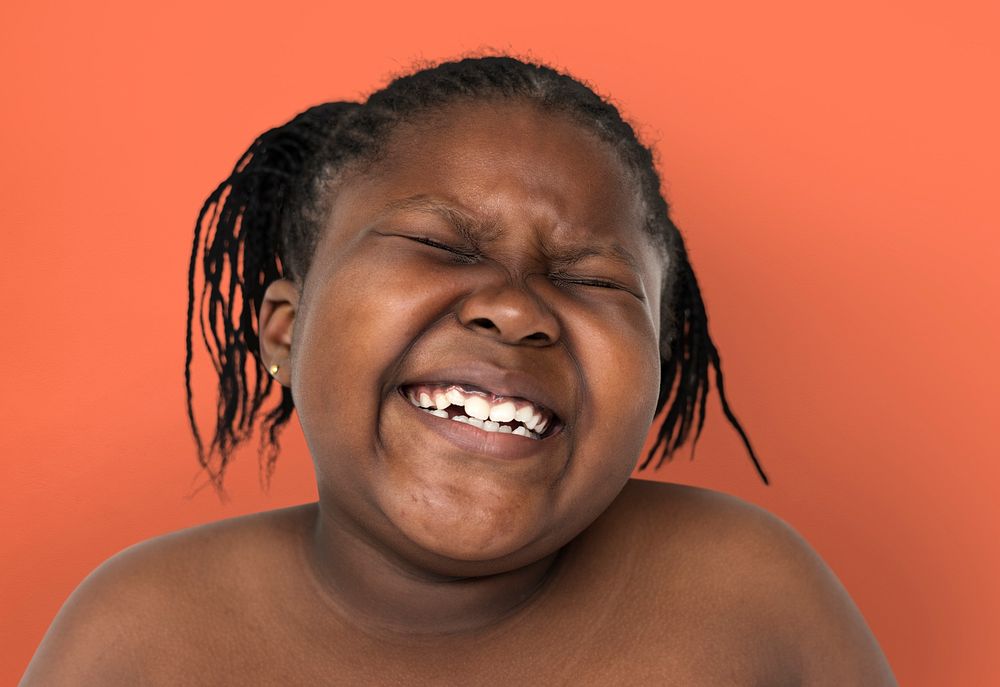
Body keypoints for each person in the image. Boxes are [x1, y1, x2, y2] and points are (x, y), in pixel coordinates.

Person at [21, 55, 896, 685]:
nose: (514, 308)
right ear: (286, 334)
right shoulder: (144, 632)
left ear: (657, 375)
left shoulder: (747, 592)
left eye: (592, 280)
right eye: (441, 244)